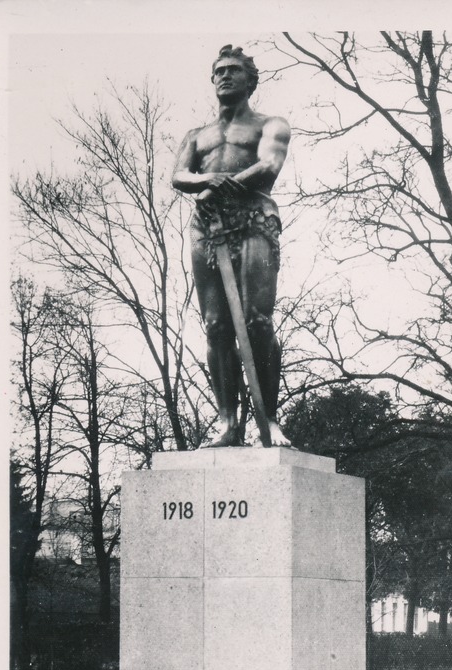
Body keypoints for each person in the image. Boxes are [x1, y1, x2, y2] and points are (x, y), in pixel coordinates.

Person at [172, 44, 291, 447]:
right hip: (207, 227)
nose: (225, 76)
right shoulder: (197, 135)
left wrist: (225, 185)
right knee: (215, 325)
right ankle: (227, 422)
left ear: (249, 80)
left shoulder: (269, 124)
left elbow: (269, 166)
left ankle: (268, 420)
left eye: (234, 70)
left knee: (257, 321)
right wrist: (209, 183)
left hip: (253, 218)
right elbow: (179, 175)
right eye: (219, 70)